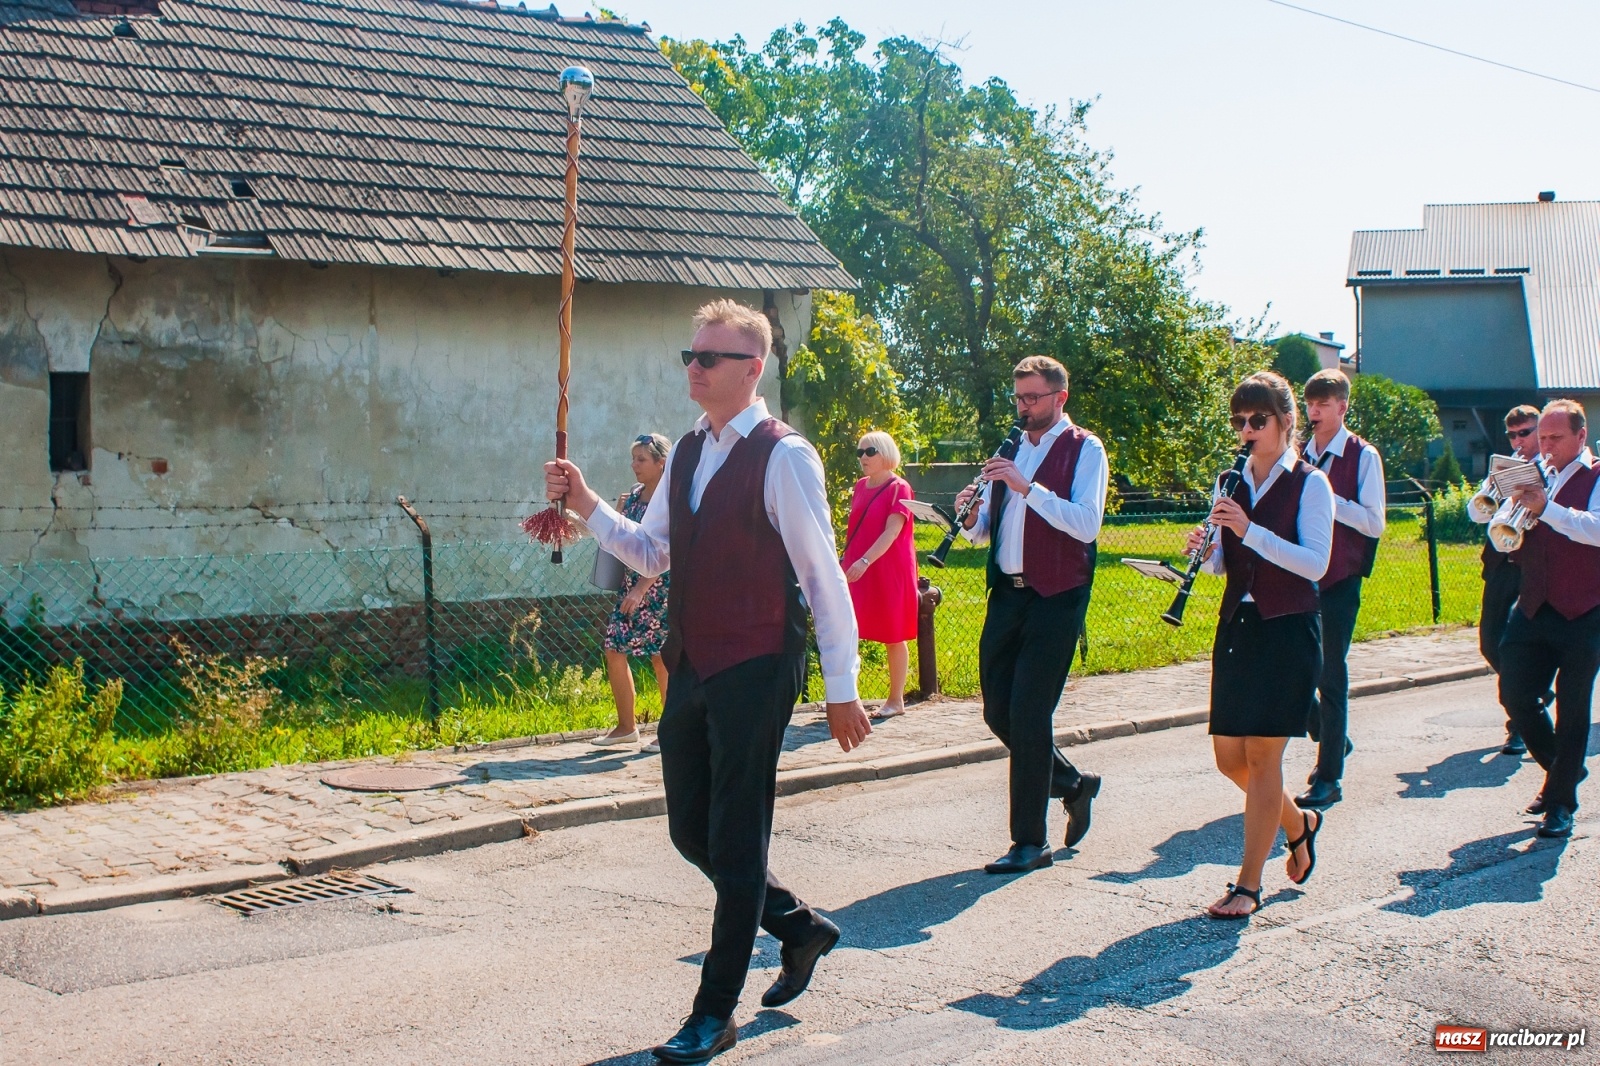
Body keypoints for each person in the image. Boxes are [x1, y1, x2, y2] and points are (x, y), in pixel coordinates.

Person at [544, 299, 871, 1065]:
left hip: (759, 663)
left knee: (735, 834)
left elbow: (822, 577)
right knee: (690, 828)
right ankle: (796, 926)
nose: (693, 368)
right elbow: (652, 554)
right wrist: (587, 500)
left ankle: (713, 1013)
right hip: (693, 659)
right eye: (688, 357)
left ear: (751, 369)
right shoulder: (688, 450)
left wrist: (843, 685)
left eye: (708, 358)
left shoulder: (784, 456)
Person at [1190, 370, 1334, 918]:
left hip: (1289, 627)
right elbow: (1225, 561)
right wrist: (1206, 550)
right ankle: (1299, 823)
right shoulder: (1230, 480)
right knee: (1229, 758)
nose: (1247, 429)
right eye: (1239, 421)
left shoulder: (1310, 483)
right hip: (1239, 627)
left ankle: (1249, 884)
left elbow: (1314, 563)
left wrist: (1249, 530)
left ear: (1285, 422)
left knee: (1263, 754)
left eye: (1258, 420)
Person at [955, 355, 1107, 875]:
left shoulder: (1086, 448)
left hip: (1058, 595)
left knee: (1029, 713)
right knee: (997, 711)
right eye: (1019, 398)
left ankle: (1029, 842)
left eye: (1033, 398)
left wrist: (1026, 486)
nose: (1023, 408)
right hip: (1009, 593)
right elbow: (991, 531)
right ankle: (1072, 784)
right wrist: (975, 515)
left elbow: (1086, 524)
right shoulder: (1012, 448)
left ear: (1059, 398)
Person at [1498, 399, 1600, 839]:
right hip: (1535, 604)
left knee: (1573, 709)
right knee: (1514, 694)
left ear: (1581, 436)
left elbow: (1595, 528)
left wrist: (1547, 509)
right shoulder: (1536, 473)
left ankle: (1560, 802)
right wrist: (1506, 515)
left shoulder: (1597, 475)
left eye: (1556, 438)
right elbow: (1504, 532)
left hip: (1585, 609)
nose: (1547, 447)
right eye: (1543, 438)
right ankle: (1564, 771)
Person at [1298, 369, 1386, 810]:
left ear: (1342, 407)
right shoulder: (1297, 452)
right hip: (1298, 575)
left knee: (1331, 674)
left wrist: (1329, 500)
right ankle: (1334, 737)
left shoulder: (1362, 455)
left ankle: (1329, 775)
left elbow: (1375, 522)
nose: (1313, 412)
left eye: (1322, 404)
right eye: (1310, 404)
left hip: (1339, 579)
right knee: (1295, 668)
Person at [593, 433, 672, 753]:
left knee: (662, 659)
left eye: (641, 459)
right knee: (614, 647)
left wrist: (642, 587)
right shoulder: (637, 495)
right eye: (634, 458)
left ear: (660, 463)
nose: (634, 465)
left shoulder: (669, 499)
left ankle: (671, 731)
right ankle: (626, 727)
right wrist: (618, 511)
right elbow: (624, 539)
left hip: (660, 588)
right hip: (632, 588)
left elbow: (669, 549)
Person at [1476, 404, 1543, 757]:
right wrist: (1492, 490)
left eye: (1526, 433)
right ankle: (1531, 694)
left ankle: (1518, 722)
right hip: (1501, 561)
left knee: (1515, 645)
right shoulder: (1504, 467)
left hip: (1534, 565)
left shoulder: (1550, 469)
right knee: (1490, 642)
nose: (1519, 441)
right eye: (1513, 435)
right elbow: (1480, 511)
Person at [843, 431, 918, 718]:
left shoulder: (899, 487)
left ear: (885, 452)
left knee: (893, 633)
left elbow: (893, 531)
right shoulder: (861, 486)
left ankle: (895, 699)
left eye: (870, 451)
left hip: (886, 567)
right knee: (849, 630)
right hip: (857, 567)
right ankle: (848, 699)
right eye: (859, 452)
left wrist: (865, 560)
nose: (863, 457)